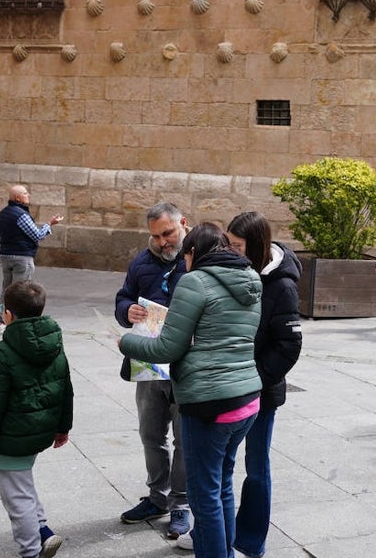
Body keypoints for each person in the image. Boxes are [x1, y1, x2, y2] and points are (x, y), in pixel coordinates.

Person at [119, 223, 261, 558]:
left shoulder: (194, 281)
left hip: (210, 402)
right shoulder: (251, 279)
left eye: (185, 254)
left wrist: (126, 341)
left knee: (203, 497)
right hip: (247, 399)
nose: (183, 261)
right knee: (222, 484)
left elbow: (168, 348)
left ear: (193, 253)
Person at [219, 211, 303, 558]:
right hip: (228, 385)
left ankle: (251, 541)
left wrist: (256, 379)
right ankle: (216, 530)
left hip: (260, 392)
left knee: (256, 465)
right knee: (221, 463)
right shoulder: (232, 272)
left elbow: (289, 345)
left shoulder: (281, 285)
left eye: (236, 245)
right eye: (228, 243)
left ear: (254, 247)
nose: (230, 250)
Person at [0, 280, 72, 558]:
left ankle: (30, 552)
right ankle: (43, 531)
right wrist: (63, 428)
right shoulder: (55, 344)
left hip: (12, 436)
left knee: (16, 497)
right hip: (41, 430)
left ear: (7, 313)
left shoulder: (1, 353)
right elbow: (66, 388)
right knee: (23, 484)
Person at [113, 202, 191, 539]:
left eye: (168, 233)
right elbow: (122, 297)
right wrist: (126, 309)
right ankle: (157, 497)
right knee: (150, 435)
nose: (162, 242)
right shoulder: (141, 262)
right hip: (148, 365)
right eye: (156, 236)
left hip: (186, 367)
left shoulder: (197, 261)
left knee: (185, 438)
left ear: (183, 224)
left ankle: (182, 505)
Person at [0, 185, 63, 330]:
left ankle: (0, 320)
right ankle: (17, 323)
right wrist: (49, 224)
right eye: (25, 193)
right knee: (21, 292)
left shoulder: (3, 213)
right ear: (17, 198)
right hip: (21, 257)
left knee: (6, 289)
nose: (28, 195)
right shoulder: (21, 215)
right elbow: (38, 235)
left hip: (5, 255)